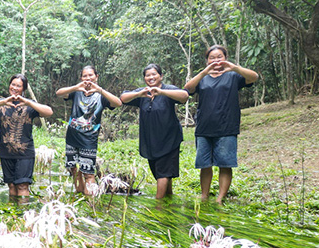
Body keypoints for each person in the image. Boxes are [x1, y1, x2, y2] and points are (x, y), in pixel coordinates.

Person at [183, 45, 258, 204]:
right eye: (212, 57)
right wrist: (204, 72)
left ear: (225, 58)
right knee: (205, 164)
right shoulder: (203, 78)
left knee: (225, 164)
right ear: (207, 60)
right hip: (204, 127)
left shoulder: (233, 76)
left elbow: (254, 77)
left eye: (219, 57)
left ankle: (220, 198)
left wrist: (234, 67)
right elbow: (187, 89)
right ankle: (204, 195)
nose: (216, 60)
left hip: (227, 127)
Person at [120, 64, 189, 199]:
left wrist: (161, 92)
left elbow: (184, 96)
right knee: (161, 173)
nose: (151, 77)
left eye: (154, 74)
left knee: (163, 172)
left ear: (161, 76)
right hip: (151, 140)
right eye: (148, 75)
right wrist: (140, 94)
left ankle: (159, 206)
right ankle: (169, 200)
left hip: (169, 138)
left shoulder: (168, 90)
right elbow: (123, 98)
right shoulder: (142, 92)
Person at [0, 74, 53, 198]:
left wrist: (28, 102)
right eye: (13, 84)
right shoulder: (0, 104)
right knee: (11, 185)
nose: (14, 88)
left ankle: (23, 214)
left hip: (25, 153)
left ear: (23, 88)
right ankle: (13, 213)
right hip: (5, 152)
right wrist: (3, 101)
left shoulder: (30, 105)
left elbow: (49, 112)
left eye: (18, 86)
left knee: (23, 185)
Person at [56, 66, 122, 195]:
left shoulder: (101, 96)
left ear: (96, 77)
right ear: (81, 78)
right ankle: (80, 198)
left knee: (88, 173)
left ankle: (90, 204)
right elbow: (59, 93)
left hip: (89, 140)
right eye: (85, 76)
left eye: (91, 75)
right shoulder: (76, 92)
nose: (88, 78)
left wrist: (100, 90)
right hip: (72, 137)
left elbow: (118, 103)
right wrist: (76, 87)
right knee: (73, 170)